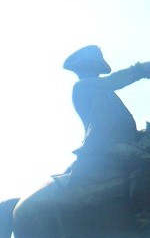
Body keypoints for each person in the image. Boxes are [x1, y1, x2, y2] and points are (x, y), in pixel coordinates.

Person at [62, 45, 150, 183]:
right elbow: (115, 80)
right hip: (107, 144)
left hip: (124, 141)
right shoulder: (83, 86)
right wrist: (141, 69)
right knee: (145, 161)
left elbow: (119, 124)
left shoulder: (101, 90)